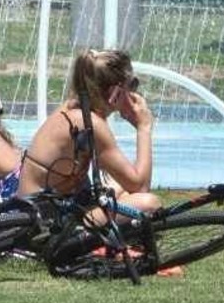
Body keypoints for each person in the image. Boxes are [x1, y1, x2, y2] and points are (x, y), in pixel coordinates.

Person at [17, 48, 159, 216]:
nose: (135, 93)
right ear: (115, 92)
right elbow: (140, 186)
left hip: (44, 208)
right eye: (133, 85)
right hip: (48, 222)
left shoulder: (74, 108)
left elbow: (130, 182)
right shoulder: (90, 122)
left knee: (121, 187)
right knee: (148, 203)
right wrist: (144, 127)